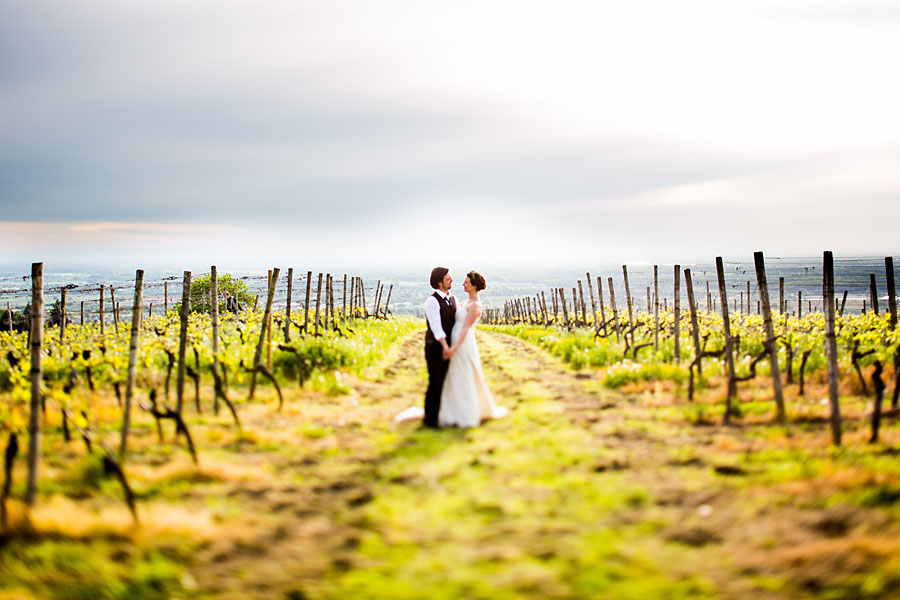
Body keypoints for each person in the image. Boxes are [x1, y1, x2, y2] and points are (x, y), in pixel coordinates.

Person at [438, 270, 506, 428]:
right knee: (454, 375)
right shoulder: (467, 302)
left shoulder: (475, 305)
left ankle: (467, 411)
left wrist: (453, 348)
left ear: (474, 286)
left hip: (463, 344)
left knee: (465, 375)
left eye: (466, 282)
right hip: (456, 341)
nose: (463, 284)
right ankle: (453, 408)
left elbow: (465, 330)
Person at [422, 267, 456, 428]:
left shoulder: (453, 299)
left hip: (448, 348)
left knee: (446, 382)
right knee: (435, 381)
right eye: (448, 278)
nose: (451, 280)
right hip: (435, 347)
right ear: (439, 282)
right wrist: (444, 346)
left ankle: (443, 415)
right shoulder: (432, 301)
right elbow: (436, 327)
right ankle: (430, 420)